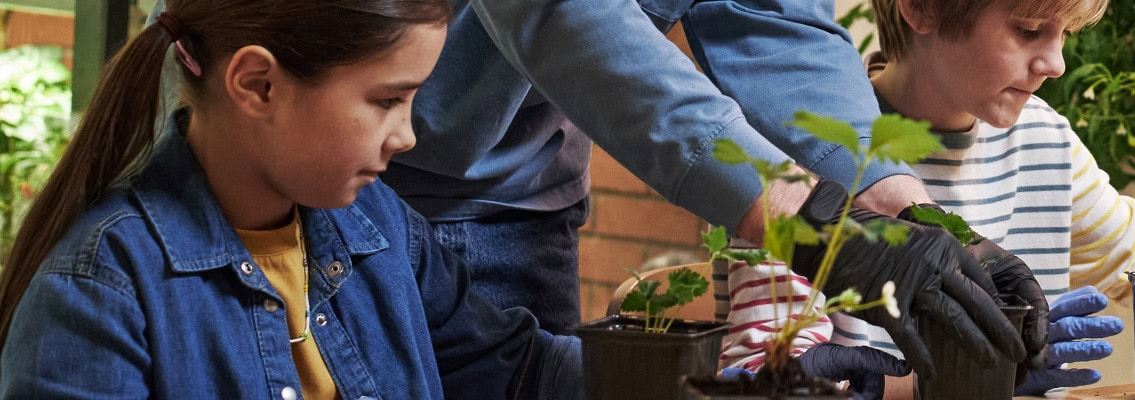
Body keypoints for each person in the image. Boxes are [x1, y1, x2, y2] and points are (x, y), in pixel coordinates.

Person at [716, 0, 1135, 396]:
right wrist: (954, 382)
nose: (1056, 62)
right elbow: (762, 374)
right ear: (923, 7)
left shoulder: (1043, 140)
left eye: (1063, 34)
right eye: (1030, 30)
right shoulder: (800, 163)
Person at [388, 0, 1039, 374]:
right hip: (377, 174)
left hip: (524, 193)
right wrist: (802, 217)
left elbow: (776, 25)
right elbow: (559, 10)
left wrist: (913, 214)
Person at [0, 1, 584, 398]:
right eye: (387, 100)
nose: (407, 137)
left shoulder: (380, 224)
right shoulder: (99, 292)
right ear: (258, 85)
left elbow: (518, 371)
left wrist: (658, 346)